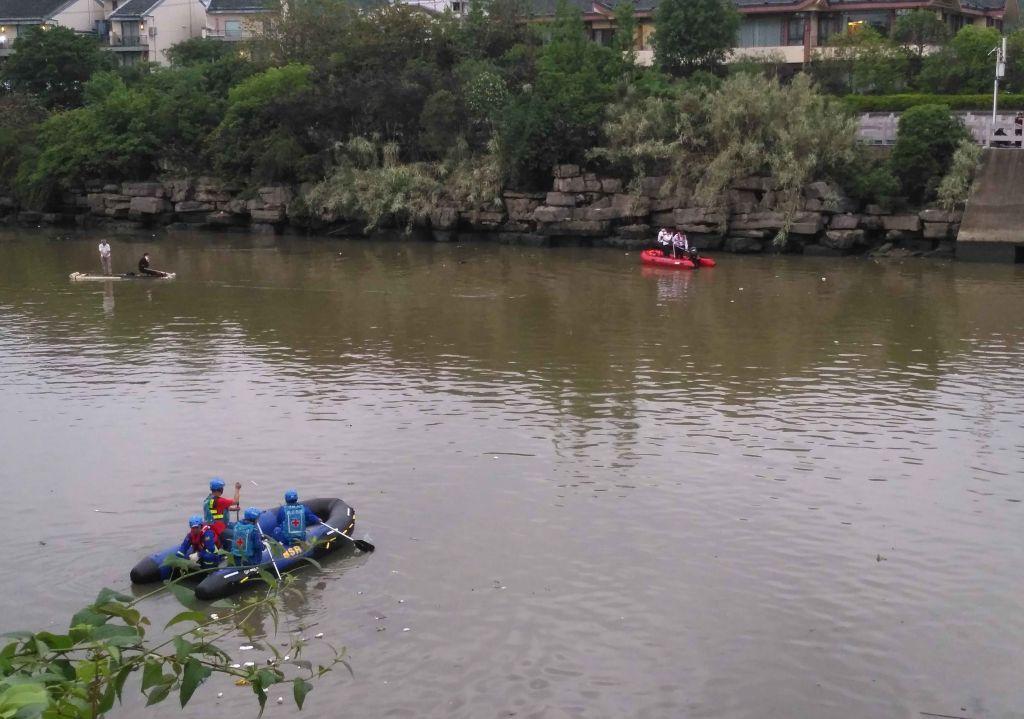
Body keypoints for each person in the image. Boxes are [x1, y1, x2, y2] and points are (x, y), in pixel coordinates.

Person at [203, 478, 241, 545]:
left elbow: (216, 509)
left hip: (214, 526)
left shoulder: (209, 499)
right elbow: (236, 501)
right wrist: (237, 489)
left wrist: (232, 509)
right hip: (219, 529)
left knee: (238, 526)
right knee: (238, 534)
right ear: (220, 490)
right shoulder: (220, 501)